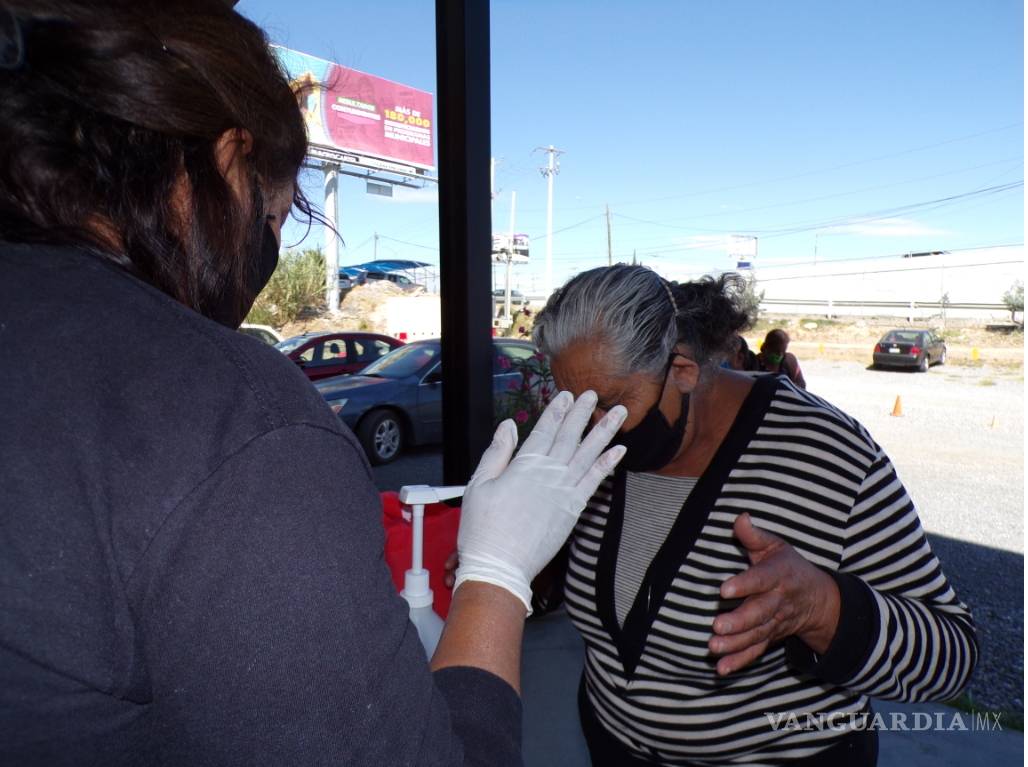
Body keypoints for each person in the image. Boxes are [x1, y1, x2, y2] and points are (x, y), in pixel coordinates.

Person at [0, 3, 627, 764]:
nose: (263, 252)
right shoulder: (231, 420)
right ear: (231, 161)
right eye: (274, 215)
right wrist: (497, 575)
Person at [528, 265, 977, 766]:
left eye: (610, 405)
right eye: (575, 404)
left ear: (683, 369)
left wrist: (825, 610)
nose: (591, 430)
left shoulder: (826, 452)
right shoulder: (601, 445)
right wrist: (529, 568)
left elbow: (950, 656)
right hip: (611, 743)